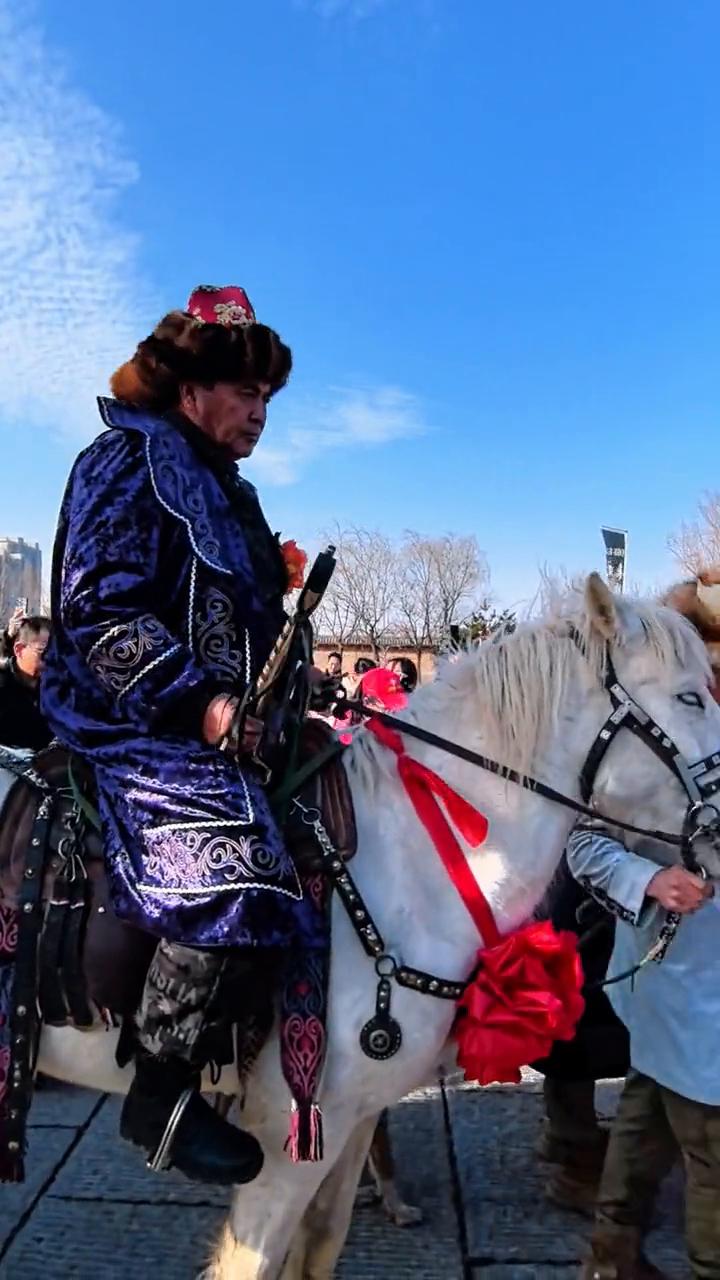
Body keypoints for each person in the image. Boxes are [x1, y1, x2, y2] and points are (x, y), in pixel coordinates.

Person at [41, 284, 323, 1186]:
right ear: (191, 389)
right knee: (228, 857)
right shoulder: (124, 458)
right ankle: (159, 1092)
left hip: (230, 724)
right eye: (244, 394)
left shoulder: (227, 488)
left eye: (268, 400)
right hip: (126, 716)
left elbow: (247, 620)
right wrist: (201, 704)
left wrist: (291, 682)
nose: (258, 414)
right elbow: (97, 606)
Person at [568, 815, 718, 1280]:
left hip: (688, 988)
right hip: (685, 984)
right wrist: (649, 879)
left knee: (648, 1104)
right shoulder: (645, 750)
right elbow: (584, 841)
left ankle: (611, 1260)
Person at [0, 614, 53, 752]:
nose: (51, 662)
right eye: (44, 654)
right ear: (19, 649)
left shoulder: (58, 688)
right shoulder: (3, 685)